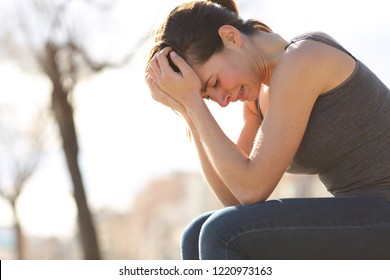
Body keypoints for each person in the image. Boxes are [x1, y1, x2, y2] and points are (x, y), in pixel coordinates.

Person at [145, 0, 390, 259]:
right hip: (363, 213)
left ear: (231, 37)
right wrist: (188, 109)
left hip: (382, 209)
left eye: (214, 82)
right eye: (207, 96)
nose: (221, 100)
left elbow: (252, 189)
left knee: (223, 232)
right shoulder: (257, 98)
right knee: (196, 232)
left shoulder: (304, 57)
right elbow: (236, 198)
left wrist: (195, 104)